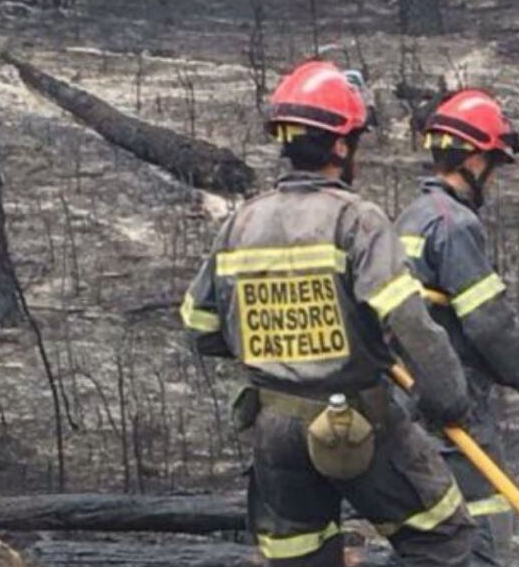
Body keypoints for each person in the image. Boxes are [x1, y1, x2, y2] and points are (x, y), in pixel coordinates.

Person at [180, 60, 475, 566]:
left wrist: (270, 341)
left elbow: (199, 326)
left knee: (299, 558)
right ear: (341, 144)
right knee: (441, 539)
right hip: (358, 419)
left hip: (274, 429)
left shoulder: (241, 223)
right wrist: (447, 398)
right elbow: (407, 320)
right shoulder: (356, 220)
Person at [395, 89, 519, 565]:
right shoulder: (454, 224)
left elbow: (459, 310)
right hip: (456, 407)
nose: (493, 178)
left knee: (426, 530)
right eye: (494, 165)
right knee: (481, 522)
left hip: (409, 400)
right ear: (476, 159)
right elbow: (484, 324)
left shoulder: (411, 218)